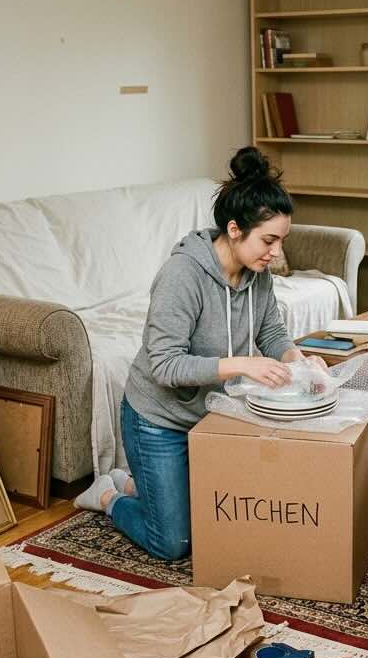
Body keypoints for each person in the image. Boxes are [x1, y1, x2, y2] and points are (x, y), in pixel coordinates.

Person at [75, 147, 326, 559]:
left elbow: (271, 330)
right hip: (158, 420)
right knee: (174, 543)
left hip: (212, 415)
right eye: (269, 240)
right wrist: (242, 365)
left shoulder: (257, 275)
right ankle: (108, 494)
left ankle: (135, 484)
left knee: (228, 517)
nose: (276, 252)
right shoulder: (182, 276)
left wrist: (298, 362)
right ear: (233, 229)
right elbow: (165, 365)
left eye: (281, 240)